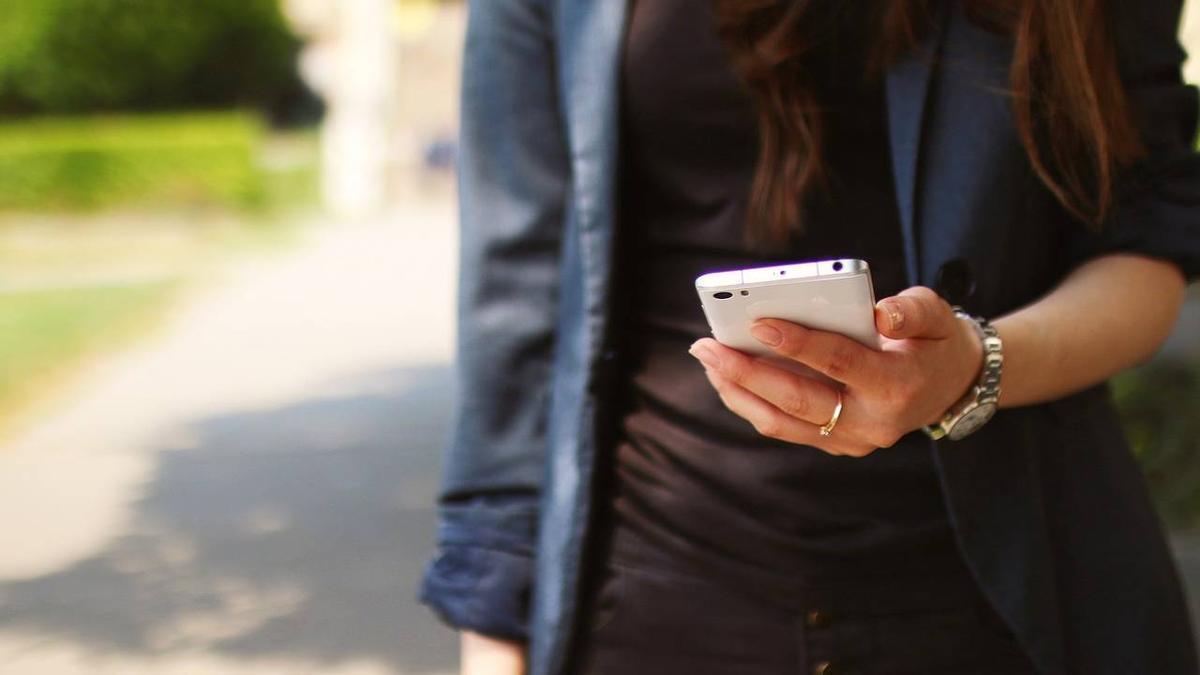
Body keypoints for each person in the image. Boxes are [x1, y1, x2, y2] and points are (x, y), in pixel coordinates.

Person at [419, 0, 1200, 673]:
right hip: (648, 599)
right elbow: (517, 301)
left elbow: (1147, 239)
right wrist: (494, 631)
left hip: (1014, 597)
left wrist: (975, 366)